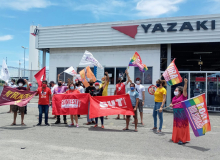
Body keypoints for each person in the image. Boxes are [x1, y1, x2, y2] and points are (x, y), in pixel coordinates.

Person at [169, 78, 190, 145]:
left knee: (182, 126)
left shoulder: (183, 96)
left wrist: (185, 83)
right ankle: (176, 138)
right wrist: (171, 105)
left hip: (182, 113)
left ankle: (182, 139)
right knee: (176, 126)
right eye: (175, 90)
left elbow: (185, 89)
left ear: (180, 91)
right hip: (176, 113)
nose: (175, 91)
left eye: (176, 90)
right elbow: (172, 104)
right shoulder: (174, 97)